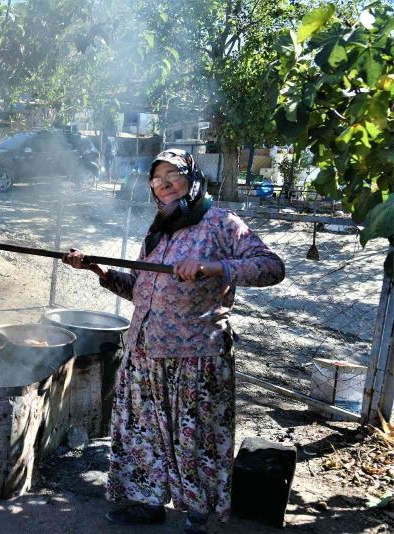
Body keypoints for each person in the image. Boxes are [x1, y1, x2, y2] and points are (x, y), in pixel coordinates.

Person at [63, 149, 285, 533]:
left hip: (195, 357)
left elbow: (272, 267)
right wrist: (96, 268)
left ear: (193, 178)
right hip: (144, 352)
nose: (163, 184)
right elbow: (140, 291)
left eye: (172, 175)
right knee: (141, 434)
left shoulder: (221, 223)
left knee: (195, 437)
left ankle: (198, 512)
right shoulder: (159, 229)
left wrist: (214, 268)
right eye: (156, 178)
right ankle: (147, 503)